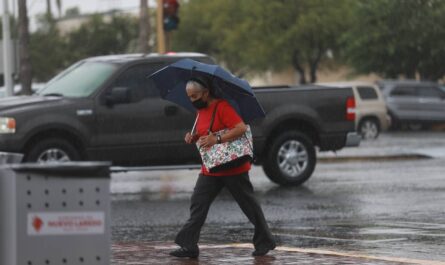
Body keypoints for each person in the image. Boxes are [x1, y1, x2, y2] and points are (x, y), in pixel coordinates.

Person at [169, 77, 276, 258]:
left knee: (249, 206)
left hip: (232, 168)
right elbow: (205, 133)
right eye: (189, 97)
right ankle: (189, 245)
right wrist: (193, 137)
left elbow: (240, 128)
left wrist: (216, 139)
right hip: (211, 168)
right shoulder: (201, 111)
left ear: (206, 93)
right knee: (198, 203)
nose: (192, 100)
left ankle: (265, 241)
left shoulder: (222, 107)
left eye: (195, 96)